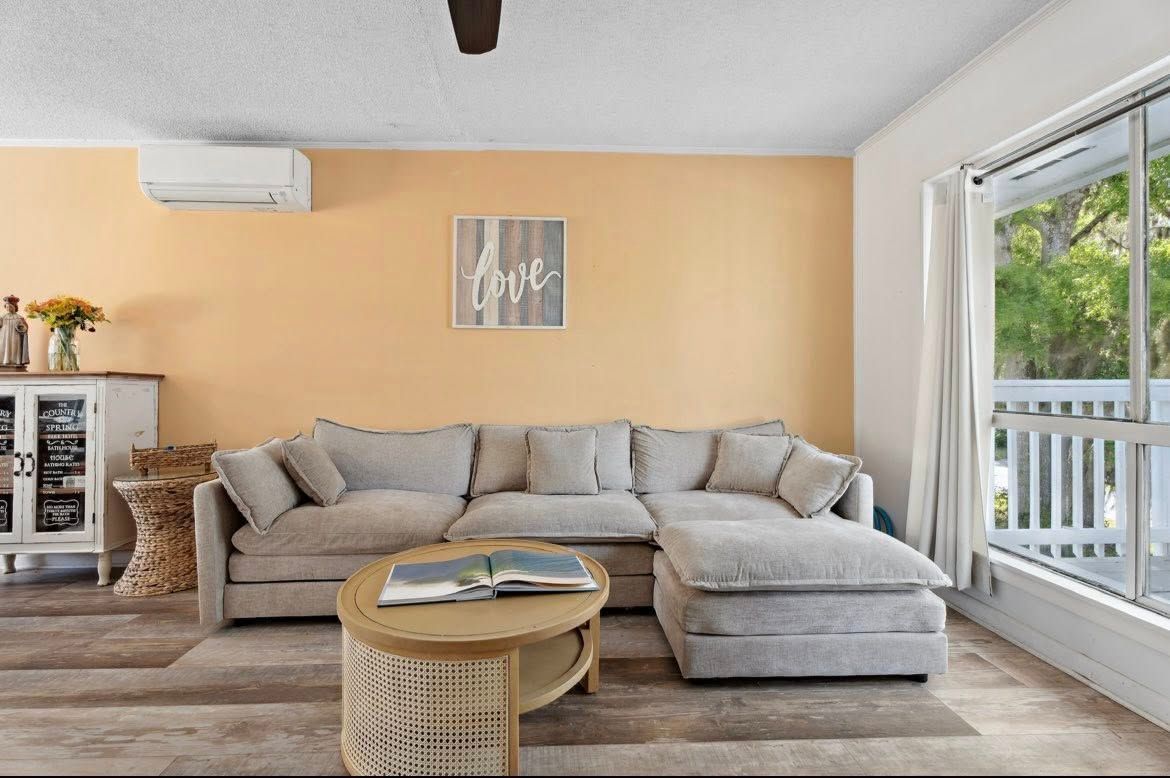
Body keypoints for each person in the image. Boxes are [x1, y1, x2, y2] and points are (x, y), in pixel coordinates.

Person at [0, 295, 29, 370]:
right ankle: (5, 360)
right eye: (7, 307)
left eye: (10, 307)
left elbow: (24, 328)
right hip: (4, 336)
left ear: (15, 307)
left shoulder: (19, 317)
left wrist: (22, 326)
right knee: (5, 346)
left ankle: (15, 361)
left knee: (14, 347)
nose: (8, 308)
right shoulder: (3, 317)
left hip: (15, 335)